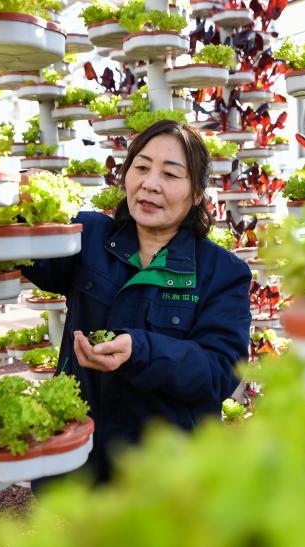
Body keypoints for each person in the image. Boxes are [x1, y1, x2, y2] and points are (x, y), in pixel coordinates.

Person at [21, 119, 252, 483]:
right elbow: (33, 254)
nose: (150, 183)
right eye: (141, 167)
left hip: (167, 473)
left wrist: (140, 350)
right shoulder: (89, 237)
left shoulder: (221, 272)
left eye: (171, 175)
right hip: (85, 461)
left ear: (196, 194)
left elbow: (219, 372)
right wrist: (25, 200)